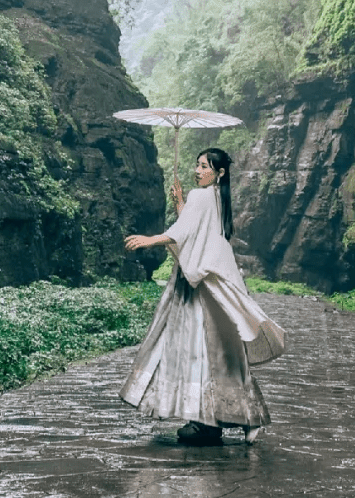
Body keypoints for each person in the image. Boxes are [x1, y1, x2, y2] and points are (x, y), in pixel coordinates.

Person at [121, 147, 286, 446]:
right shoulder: (220, 199)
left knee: (194, 348)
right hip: (214, 283)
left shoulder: (203, 197)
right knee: (223, 351)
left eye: (204, 167)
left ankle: (205, 419)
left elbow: (181, 233)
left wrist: (149, 240)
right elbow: (195, 227)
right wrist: (181, 202)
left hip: (196, 285)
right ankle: (242, 416)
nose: (198, 171)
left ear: (219, 173)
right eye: (196, 165)